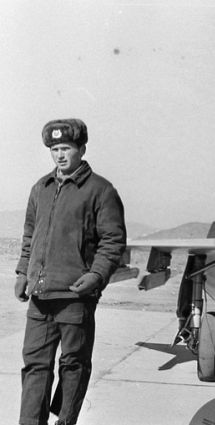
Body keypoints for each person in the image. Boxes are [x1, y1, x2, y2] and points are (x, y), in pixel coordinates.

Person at [14, 119, 127, 425]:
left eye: (65, 148)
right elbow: (30, 235)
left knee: (73, 364)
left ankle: (64, 422)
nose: (59, 155)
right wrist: (23, 271)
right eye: (54, 149)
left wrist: (96, 275)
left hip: (75, 297)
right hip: (40, 296)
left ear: (81, 149)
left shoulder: (101, 190)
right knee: (35, 365)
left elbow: (113, 240)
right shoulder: (41, 188)